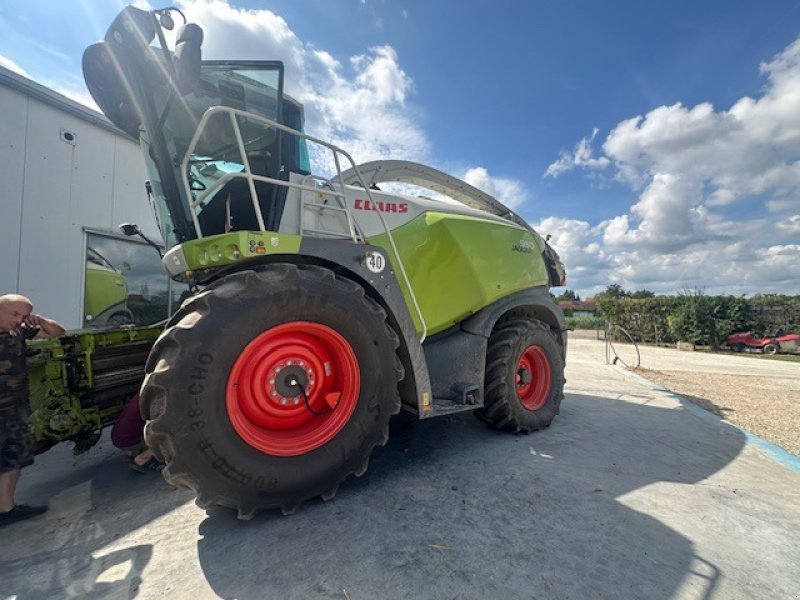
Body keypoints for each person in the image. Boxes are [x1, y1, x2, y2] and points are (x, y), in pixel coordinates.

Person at [0, 294, 65, 526]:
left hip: (13, 410)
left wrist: (42, 322)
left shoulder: (17, 332)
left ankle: (6, 510)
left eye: (24, 316)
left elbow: (58, 333)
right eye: (15, 314)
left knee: (13, 458)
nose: (19, 320)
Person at [111, 392, 162, 472]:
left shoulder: (147, 390)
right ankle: (145, 457)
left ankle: (140, 456)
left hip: (120, 436)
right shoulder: (157, 394)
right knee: (166, 440)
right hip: (128, 439)